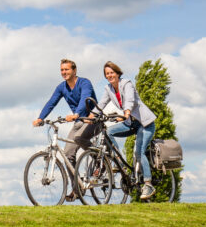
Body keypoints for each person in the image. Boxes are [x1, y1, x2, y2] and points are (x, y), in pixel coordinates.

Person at [32, 59, 98, 201]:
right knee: (68, 154)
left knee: (79, 138)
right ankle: (77, 187)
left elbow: (85, 99)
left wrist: (77, 114)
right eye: (62, 70)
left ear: (74, 70)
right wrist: (40, 118)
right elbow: (52, 102)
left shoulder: (84, 83)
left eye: (67, 69)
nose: (64, 72)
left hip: (93, 120)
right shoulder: (62, 87)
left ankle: (98, 158)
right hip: (79, 121)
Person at [102, 61, 157, 201]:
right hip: (130, 124)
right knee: (109, 132)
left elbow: (130, 101)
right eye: (107, 73)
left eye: (112, 72)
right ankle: (119, 162)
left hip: (145, 124)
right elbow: (101, 104)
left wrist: (126, 112)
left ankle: (148, 183)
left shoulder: (126, 83)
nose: (109, 75)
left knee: (139, 152)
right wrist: (90, 116)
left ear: (118, 73)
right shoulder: (109, 89)